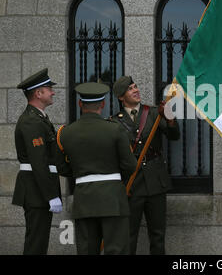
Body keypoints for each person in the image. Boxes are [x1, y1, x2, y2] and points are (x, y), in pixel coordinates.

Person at [56, 82, 136, 255]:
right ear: (103, 104)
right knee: (117, 250)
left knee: (86, 250)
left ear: (80, 104)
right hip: (113, 199)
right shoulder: (115, 129)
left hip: (84, 199)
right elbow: (130, 165)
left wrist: (80, 173)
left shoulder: (66, 133)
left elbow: (61, 167)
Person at [112, 76, 180, 255]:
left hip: (155, 182)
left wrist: (170, 118)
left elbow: (174, 136)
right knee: (129, 235)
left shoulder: (152, 113)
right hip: (131, 184)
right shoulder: (114, 122)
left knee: (157, 235)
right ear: (121, 97)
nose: (136, 90)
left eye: (136, 86)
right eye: (130, 89)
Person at [12, 68, 62, 255]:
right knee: (36, 243)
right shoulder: (31, 121)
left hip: (37, 188)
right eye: (49, 88)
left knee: (38, 242)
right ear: (38, 93)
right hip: (36, 190)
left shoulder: (39, 118)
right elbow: (38, 161)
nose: (53, 92)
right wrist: (50, 195)